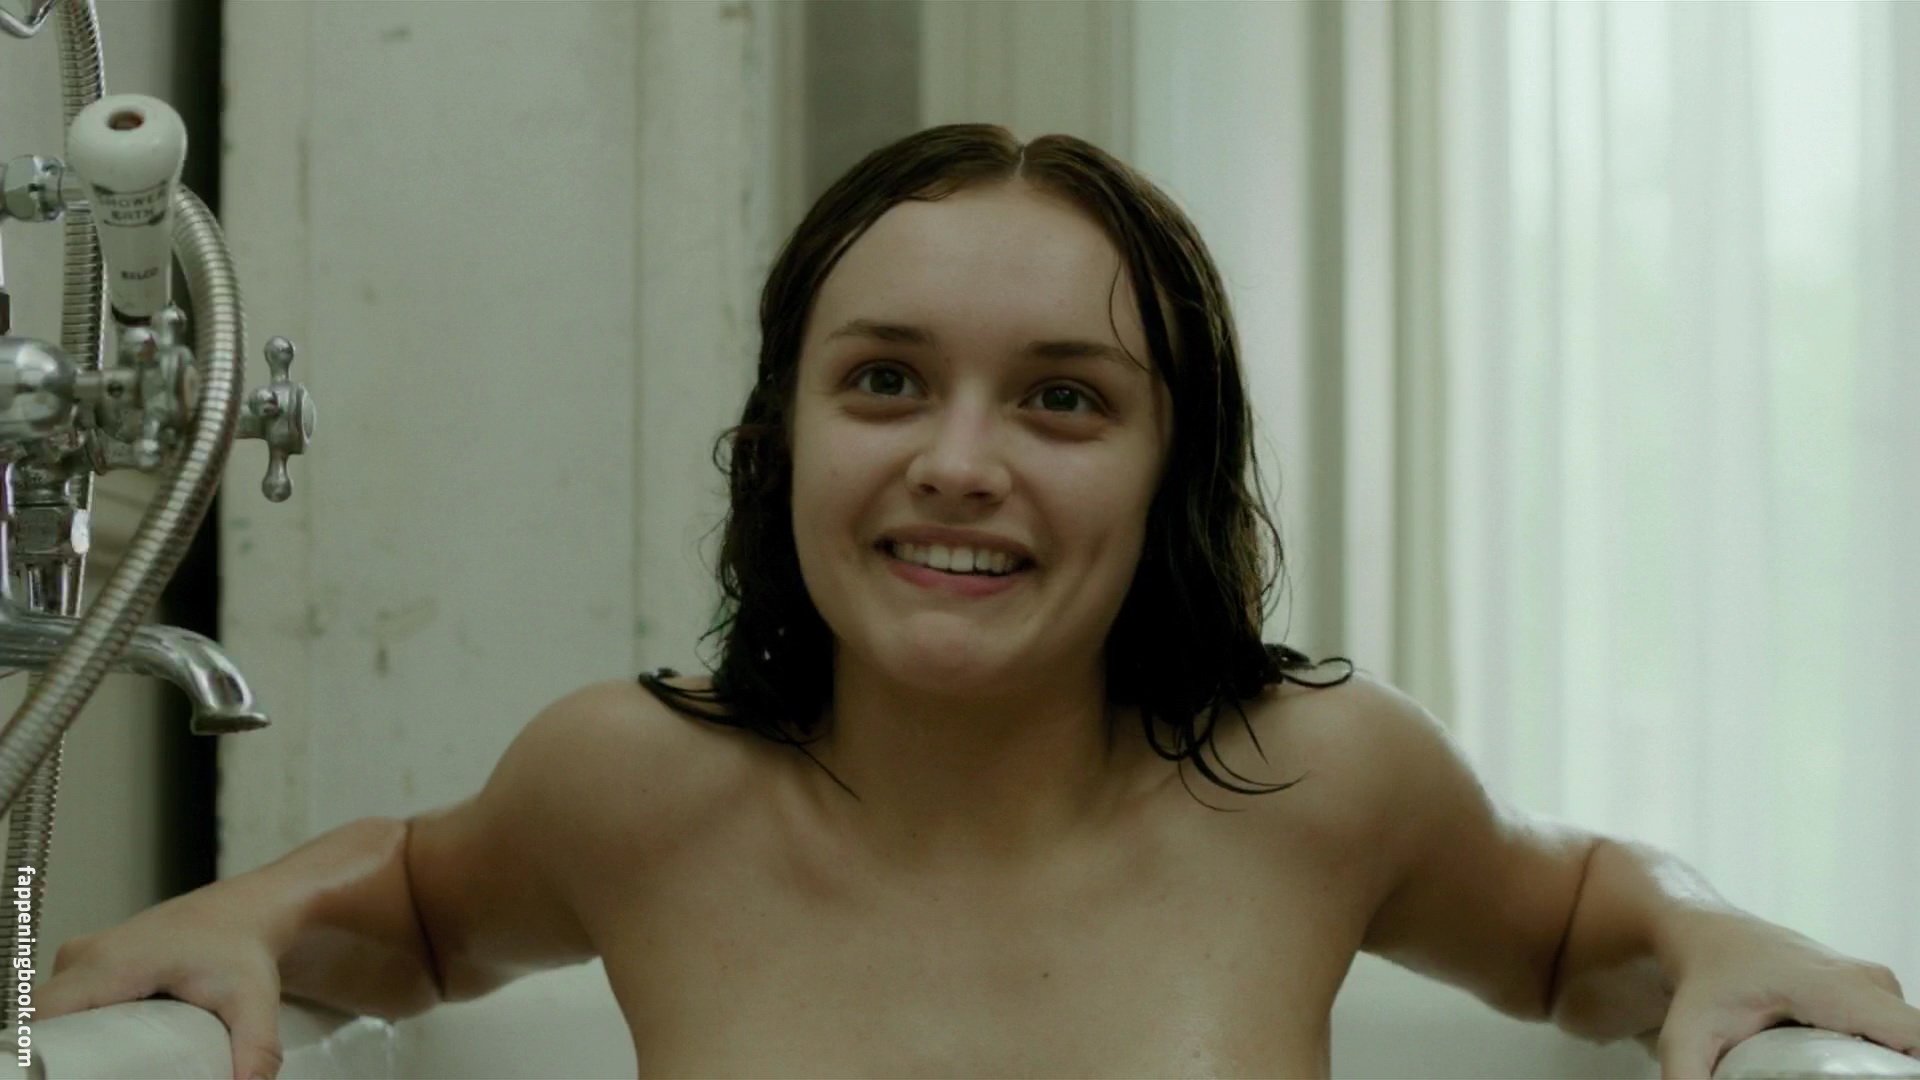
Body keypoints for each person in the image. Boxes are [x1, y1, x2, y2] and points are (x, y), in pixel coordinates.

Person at [38, 124, 1919, 1080]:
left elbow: (1574, 914)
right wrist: (247, 921)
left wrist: (1713, 933)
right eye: (884, 381)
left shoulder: (1326, 782)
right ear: (782, 440)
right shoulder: (633, 786)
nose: (958, 461)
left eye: (1063, 400)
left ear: (1173, 470)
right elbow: (419, 908)